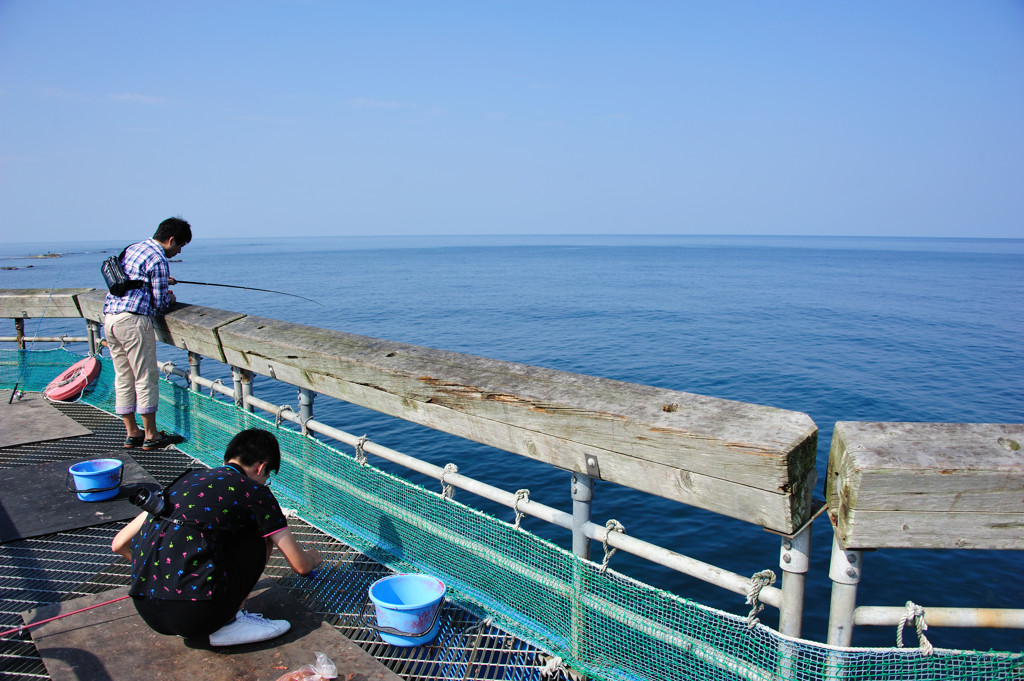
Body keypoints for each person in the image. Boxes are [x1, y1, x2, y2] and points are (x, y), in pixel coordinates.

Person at [112, 428, 323, 647]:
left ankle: (208, 615)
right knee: (264, 532)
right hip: (197, 615)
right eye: (267, 477)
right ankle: (230, 623)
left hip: (148, 611)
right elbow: (301, 567)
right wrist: (314, 557)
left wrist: (167, 574)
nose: (264, 482)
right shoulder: (254, 491)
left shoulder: (185, 480)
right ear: (261, 467)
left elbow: (119, 544)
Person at [102, 217, 190, 450]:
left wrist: (161, 280)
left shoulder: (134, 248)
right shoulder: (159, 258)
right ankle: (151, 435)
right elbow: (160, 303)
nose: (178, 251)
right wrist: (170, 296)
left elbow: (134, 279)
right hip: (133, 321)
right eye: (179, 246)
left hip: (110, 318)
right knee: (145, 377)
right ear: (171, 240)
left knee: (123, 376)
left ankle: (132, 432)